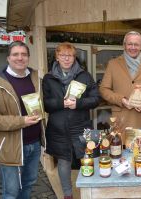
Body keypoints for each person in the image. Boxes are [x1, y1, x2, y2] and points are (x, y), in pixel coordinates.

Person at [0, 41, 44, 199]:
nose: (20, 58)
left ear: (28, 57)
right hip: (9, 145)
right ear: (8, 58)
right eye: (15, 54)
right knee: (11, 192)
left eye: (24, 54)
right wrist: (21, 121)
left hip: (34, 143)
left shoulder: (35, 77)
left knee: (29, 183)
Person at [42, 42, 100, 199]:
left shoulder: (85, 76)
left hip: (81, 125)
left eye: (70, 56)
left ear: (75, 57)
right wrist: (62, 102)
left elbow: (96, 99)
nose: (66, 59)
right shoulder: (48, 78)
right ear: (57, 57)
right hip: (58, 128)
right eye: (63, 55)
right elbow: (45, 104)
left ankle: (90, 193)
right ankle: (68, 195)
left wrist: (78, 103)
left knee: (87, 160)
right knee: (63, 162)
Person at [99, 31, 141, 136]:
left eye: (136, 44)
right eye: (130, 44)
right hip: (119, 119)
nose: (133, 47)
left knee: (140, 149)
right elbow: (103, 89)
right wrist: (121, 100)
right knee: (118, 149)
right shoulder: (113, 64)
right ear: (124, 45)